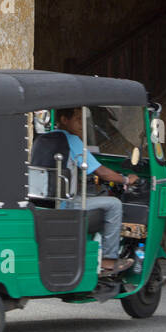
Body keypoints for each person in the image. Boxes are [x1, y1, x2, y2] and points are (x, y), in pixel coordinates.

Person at [54, 107, 137, 277]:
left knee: (93, 197)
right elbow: (101, 172)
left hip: (49, 201)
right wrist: (126, 180)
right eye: (77, 119)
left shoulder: (46, 137)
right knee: (114, 204)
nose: (81, 124)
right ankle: (108, 261)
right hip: (65, 204)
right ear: (63, 119)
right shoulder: (70, 139)